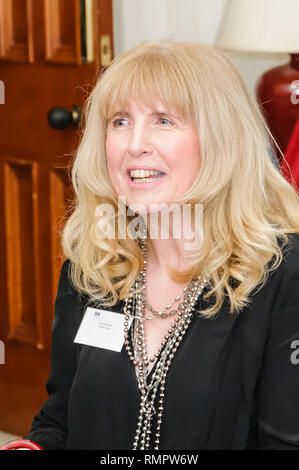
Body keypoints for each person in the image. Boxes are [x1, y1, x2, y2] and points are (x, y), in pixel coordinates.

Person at [22, 39, 299, 450]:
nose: (135, 144)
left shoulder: (280, 274)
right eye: (119, 122)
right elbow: (59, 416)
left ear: (221, 139)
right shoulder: (93, 266)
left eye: (164, 121)